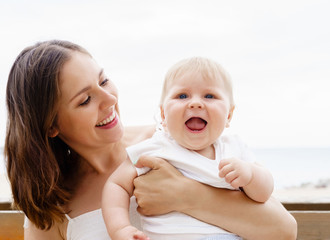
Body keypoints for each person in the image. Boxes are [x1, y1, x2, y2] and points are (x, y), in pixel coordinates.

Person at [4, 40, 297, 240]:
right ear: (52, 125)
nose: (110, 99)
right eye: (85, 100)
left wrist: (185, 194)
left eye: (104, 81)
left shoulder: (169, 141)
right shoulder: (52, 205)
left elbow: (284, 230)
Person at [102, 57, 274, 240]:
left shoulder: (234, 148)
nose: (195, 103)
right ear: (163, 114)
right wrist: (120, 229)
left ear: (229, 115)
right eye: (182, 96)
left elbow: (264, 193)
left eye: (209, 96)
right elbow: (116, 185)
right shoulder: (153, 148)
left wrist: (250, 175)